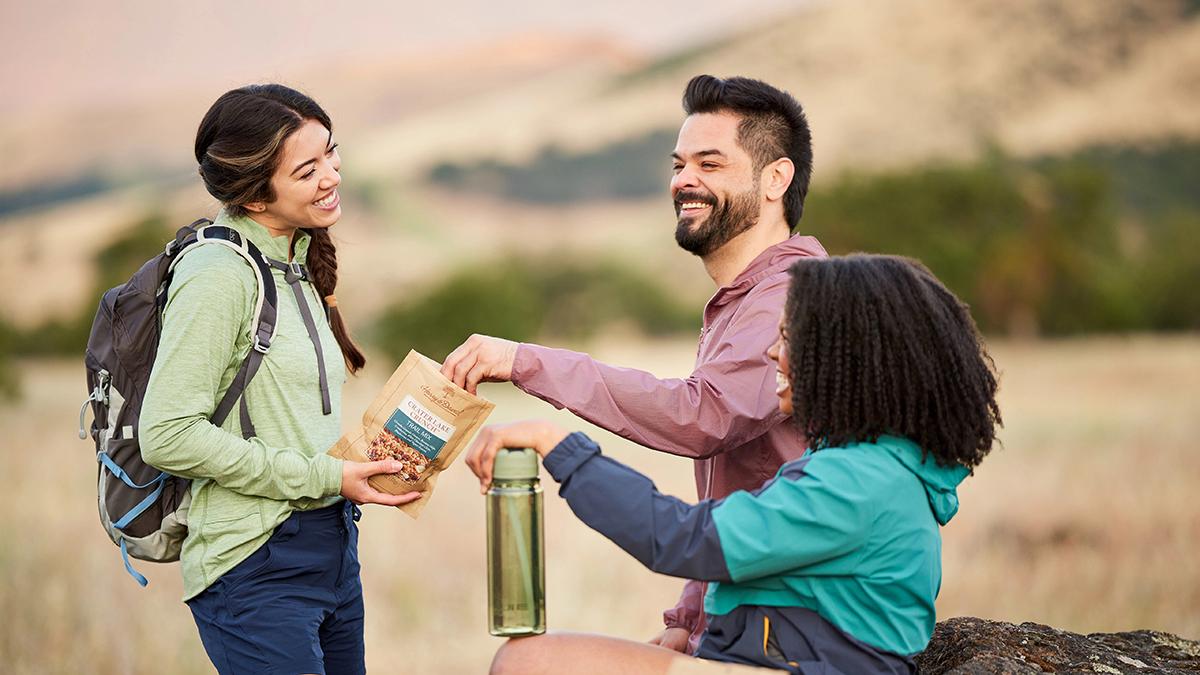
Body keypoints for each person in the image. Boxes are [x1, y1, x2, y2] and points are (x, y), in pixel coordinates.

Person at [465, 254, 1002, 674]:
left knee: (527, 663)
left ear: (851, 358)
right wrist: (690, 623)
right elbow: (763, 562)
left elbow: (686, 540)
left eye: (790, 338)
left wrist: (560, 447)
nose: (772, 354)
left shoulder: (858, 481)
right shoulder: (863, 468)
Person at [442, 74, 828, 653]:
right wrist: (686, 620)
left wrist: (523, 360)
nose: (684, 181)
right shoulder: (745, 299)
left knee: (527, 661)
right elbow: (741, 496)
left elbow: (702, 417)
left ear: (776, 178)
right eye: (678, 165)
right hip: (742, 616)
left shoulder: (786, 294)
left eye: (710, 164)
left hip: (786, 632)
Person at [139, 84, 420, 675]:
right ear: (256, 196)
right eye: (307, 169)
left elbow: (279, 419)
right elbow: (166, 433)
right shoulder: (218, 273)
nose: (331, 176)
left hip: (330, 547)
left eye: (331, 154)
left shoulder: (293, 259)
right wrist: (325, 474)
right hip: (254, 566)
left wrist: (365, 461)